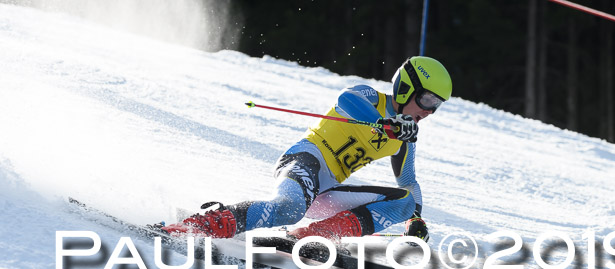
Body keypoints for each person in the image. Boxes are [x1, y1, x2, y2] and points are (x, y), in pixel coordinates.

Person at [162, 56, 452, 243]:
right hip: (304, 162)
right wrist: (382, 122)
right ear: (405, 88)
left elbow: (408, 181)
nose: (429, 111)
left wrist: (415, 219)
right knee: (288, 209)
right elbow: (346, 99)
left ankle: (314, 236)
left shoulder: (405, 136)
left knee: (403, 202)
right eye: (427, 100)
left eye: (436, 105)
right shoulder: (369, 97)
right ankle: (200, 225)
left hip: (324, 192)